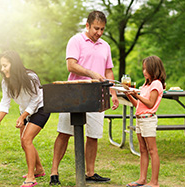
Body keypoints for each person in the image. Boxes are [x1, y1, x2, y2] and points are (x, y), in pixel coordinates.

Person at [49, 10, 119, 185]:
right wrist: (91, 74)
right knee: (64, 133)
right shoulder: (76, 41)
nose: (99, 33)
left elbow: (108, 70)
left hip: (97, 96)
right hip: (74, 94)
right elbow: (71, 65)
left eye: (102, 29)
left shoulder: (105, 46)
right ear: (87, 25)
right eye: (96, 28)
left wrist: (113, 93)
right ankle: (54, 172)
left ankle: (90, 172)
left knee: (93, 135)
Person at [0, 51, 50, 187]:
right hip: (25, 111)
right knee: (24, 142)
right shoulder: (6, 82)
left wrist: (23, 116)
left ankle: (31, 178)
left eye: (5, 65)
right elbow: (5, 101)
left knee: (26, 139)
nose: (2, 69)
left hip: (41, 108)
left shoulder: (31, 77)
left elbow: (36, 100)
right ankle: (39, 169)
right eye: (1, 66)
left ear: (14, 64)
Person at [125, 56, 166, 187]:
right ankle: (142, 179)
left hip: (148, 120)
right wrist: (130, 96)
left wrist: (137, 95)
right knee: (143, 150)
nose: (144, 71)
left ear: (154, 69)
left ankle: (154, 182)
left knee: (152, 150)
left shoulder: (156, 84)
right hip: (140, 119)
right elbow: (139, 105)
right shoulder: (146, 84)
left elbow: (150, 104)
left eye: (146, 69)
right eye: (143, 68)